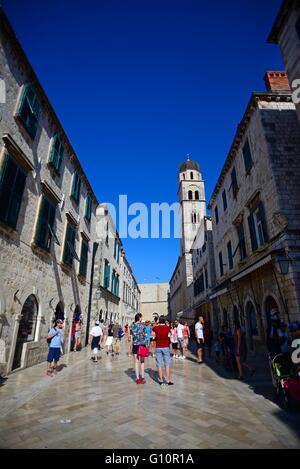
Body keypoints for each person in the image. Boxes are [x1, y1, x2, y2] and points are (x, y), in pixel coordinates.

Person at [153, 316, 174, 386]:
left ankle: (161, 380)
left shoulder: (156, 328)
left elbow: (153, 327)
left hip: (158, 347)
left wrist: (156, 322)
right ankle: (168, 380)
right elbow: (170, 333)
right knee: (167, 364)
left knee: (159, 364)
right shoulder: (167, 327)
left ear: (159, 321)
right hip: (166, 347)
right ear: (164, 321)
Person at [130, 313, 147, 384]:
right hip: (142, 344)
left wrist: (131, 345)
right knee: (142, 361)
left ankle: (137, 378)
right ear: (139, 318)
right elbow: (145, 334)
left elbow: (131, 337)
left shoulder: (132, 326)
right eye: (141, 317)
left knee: (136, 362)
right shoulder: (143, 326)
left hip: (135, 344)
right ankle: (142, 377)